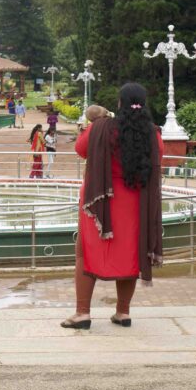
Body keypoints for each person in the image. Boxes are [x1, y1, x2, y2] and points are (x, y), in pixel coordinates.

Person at [61, 83, 164, 330]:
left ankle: (82, 313)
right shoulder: (151, 132)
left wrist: (96, 121)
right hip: (134, 203)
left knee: (84, 252)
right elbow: (158, 155)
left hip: (101, 202)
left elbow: (80, 149)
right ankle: (123, 312)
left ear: (119, 103)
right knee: (130, 255)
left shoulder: (102, 127)